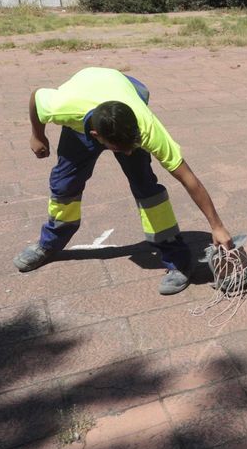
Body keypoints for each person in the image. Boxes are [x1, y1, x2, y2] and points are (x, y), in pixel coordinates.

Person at [14, 67, 231, 295]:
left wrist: (217, 226)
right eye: (121, 149)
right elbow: (36, 98)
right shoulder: (62, 108)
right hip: (83, 106)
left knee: (147, 189)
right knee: (64, 184)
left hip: (123, 93)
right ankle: (49, 244)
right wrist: (37, 135)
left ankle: (178, 260)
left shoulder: (144, 127)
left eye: (132, 146)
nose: (128, 153)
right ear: (97, 136)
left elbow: (188, 177)